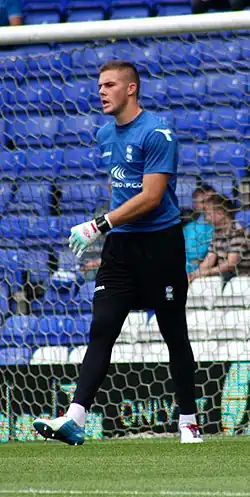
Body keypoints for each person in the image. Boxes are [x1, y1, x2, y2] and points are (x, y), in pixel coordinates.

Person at [33, 60, 203, 445]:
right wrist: (108, 229)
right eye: (98, 87)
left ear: (131, 89)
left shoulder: (158, 133)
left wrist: (99, 223)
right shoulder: (104, 135)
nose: (101, 92)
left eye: (109, 85)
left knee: (174, 334)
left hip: (160, 247)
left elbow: (152, 196)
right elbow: (122, 193)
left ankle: (189, 422)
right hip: (121, 249)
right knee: (102, 329)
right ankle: (74, 418)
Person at [188, 193, 250, 284]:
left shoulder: (237, 230)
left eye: (208, 214)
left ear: (220, 212)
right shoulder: (217, 233)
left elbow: (231, 264)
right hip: (225, 278)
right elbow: (209, 260)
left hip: (241, 279)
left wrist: (205, 272)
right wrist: (194, 274)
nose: (206, 218)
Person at [184, 184, 215, 274]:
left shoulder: (229, 225)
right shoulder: (189, 229)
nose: (207, 205)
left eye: (210, 200)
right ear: (195, 205)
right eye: (203, 202)